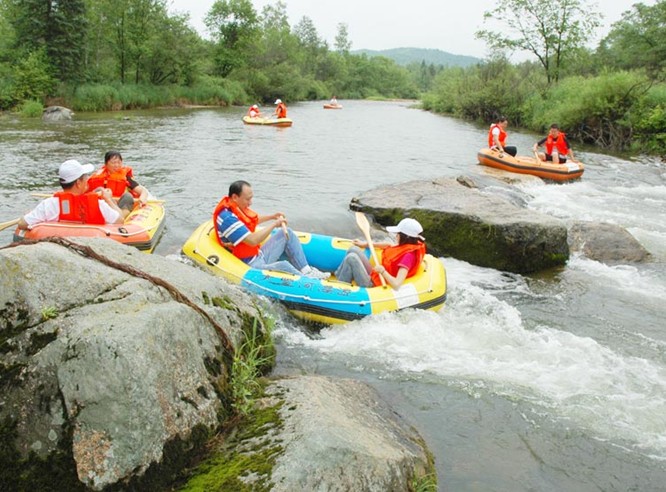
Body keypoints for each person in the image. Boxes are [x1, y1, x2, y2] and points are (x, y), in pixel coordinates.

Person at [213, 180, 329, 279]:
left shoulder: (236, 207)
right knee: (284, 266)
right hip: (249, 265)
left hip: (257, 255)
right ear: (235, 197)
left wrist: (272, 216)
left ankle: (307, 271)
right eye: (247, 199)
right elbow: (252, 240)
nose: (250, 203)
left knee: (287, 233)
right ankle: (309, 283)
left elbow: (250, 221)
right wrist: (274, 224)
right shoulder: (227, 218)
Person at [17, 159, 124, 229]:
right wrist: (109, 200)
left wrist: (29, 216)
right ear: (78, 183)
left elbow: (22, 224)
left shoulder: (49, 205)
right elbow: (120, 220)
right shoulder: (98, 204)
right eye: (85, 177)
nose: (87, 180)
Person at [335, 218, 427, 290]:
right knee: (353, 249)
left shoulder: (408, 257)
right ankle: (338, 276)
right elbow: (389, 245)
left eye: (398, 233)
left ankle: (340, 288)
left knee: (352, 258)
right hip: (376, 276)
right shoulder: (409, 244)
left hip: (373, 285)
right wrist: (366, 244)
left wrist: (383, 271)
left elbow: (397, 284)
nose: (396, 235)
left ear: (405, 237)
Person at [87, 151, 149, 220]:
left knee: (128, 196)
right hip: (104, 205)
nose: (116, 165)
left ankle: (121, 217)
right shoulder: (95, 177)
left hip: (120, 206)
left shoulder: (125, 177)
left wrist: (143, 197)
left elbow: (143, 191)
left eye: (119, 162)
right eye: (113, 163)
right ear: (106, 164)